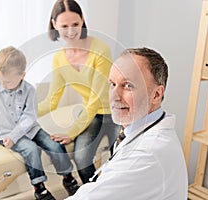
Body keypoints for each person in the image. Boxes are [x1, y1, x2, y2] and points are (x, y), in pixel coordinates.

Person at [66, 47, 188, 199]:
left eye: (128, 85)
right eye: (112, 84)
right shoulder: (136, 130)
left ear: (156, 95)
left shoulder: (146, 154)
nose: (115, 96)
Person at [0, 46, 79, 200]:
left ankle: (68, 178)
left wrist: (15, 135)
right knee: (31, 150)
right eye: (0, 79)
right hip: (6, 134)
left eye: (8, 81)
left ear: (22, 75)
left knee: (54, 145)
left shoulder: (29, 90)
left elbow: (29, 117)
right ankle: (40, 189)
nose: (3, 84)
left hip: (31, 129)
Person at [38, 0, 120, 184]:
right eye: (64, 26)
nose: (71, 31)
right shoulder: (59, 59)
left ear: (83, 20)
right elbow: (52, 100)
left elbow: (96, 97)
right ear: (54, 25)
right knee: (82, 159)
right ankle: (96, 193)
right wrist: (25, 113)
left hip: (117, 111)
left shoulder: (100, 49)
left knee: (121, 159)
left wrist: (72, 132)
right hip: (93, 115)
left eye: (75, 24)